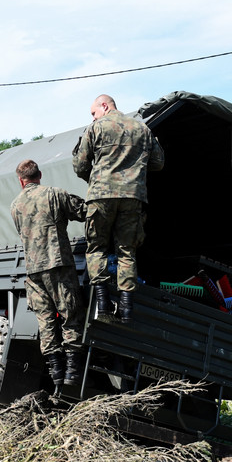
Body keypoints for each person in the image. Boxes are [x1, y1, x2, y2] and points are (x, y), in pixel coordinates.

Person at [72, 94, 165, 322]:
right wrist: (135, 172)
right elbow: (158, 163)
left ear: (104, 106)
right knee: (126, 251)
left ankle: (103, 306)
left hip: (101, 195)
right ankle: (126, 310)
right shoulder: (142, 129)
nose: (93, 117)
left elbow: (79, 164)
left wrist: (95, 181)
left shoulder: (95, 128)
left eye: (94, 112)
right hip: (133, 196)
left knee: (97, 248)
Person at [10, 159, 87, 391]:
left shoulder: (15, 205)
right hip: (58, 264)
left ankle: (56, 372)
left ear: (21, 181)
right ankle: (72, 371)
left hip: (33, 272)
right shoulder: (54, 194)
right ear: (39, 175)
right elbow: (84, 212)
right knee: (70, 314)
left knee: (45, 320)